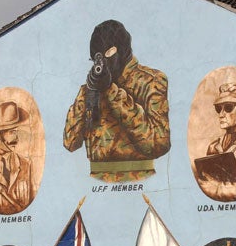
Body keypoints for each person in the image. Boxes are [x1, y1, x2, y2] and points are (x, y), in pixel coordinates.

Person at [63, 19, 170, 182]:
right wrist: (88, 93)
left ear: (120, 50)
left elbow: (157, 143)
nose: (103, 63)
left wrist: (111, 91)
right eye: (96, 60)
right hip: (97, 182)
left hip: (139, 178)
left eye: (108, 54)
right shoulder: (91, 87)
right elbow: (70, 142)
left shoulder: (150, 81)